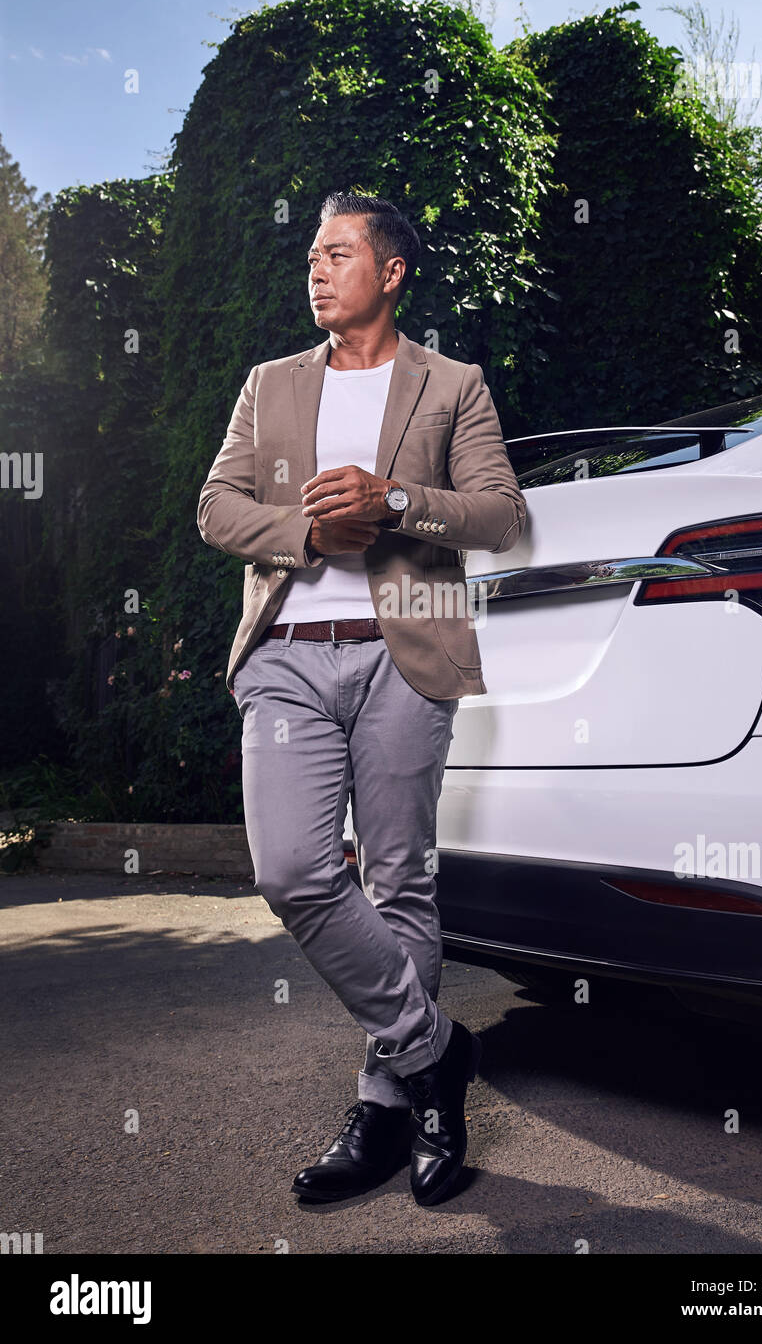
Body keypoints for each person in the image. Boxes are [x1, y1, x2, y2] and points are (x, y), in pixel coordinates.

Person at [197, 191, 527, 1207]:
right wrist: (303, 534)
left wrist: (391, 504)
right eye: (310, 253)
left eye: (337, 252)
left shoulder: (452, 384)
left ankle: (389, 1107)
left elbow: (499, 516)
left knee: (400, 882)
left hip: (405, 648)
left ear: (389, 271)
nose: (316, 267)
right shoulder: (269, 384)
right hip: (288, 653)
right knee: (293, 868)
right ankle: (434, 1054)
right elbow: (216, 507)